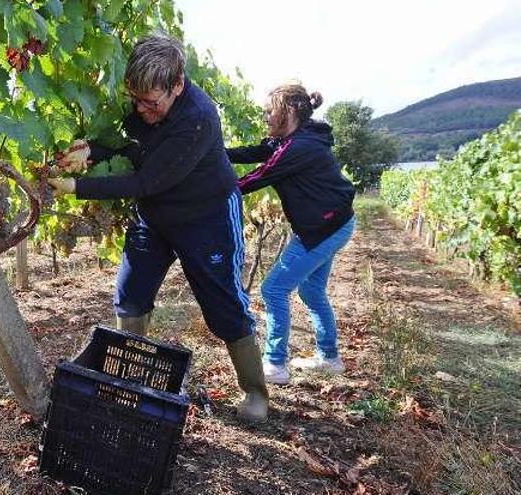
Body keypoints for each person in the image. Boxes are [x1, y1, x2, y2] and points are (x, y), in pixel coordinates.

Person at [47, 35, 268, 422]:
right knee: (130, 294)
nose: (141, 110)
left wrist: (77, 188)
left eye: (151, 103)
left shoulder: (197, 118)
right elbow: (127, 143)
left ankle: (255, 392)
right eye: (136, 99)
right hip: (155, 217)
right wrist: (91, 152)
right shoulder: (144, 101)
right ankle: (128, 381)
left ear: (177, 85)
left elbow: (145, 181)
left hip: (206, 217)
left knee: (223, 305)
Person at [227, 83, 356, 385]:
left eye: (270, 111)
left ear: (289, 111)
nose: (265, 116)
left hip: (324, 228)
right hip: (333, 223)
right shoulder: (288, 140)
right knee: (311, 291)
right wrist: (213, 154)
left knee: (273, 289)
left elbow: (259, 176)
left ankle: (275, 364)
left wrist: (219, 187)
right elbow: (255, 151)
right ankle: (329, 358)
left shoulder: (300, 147)